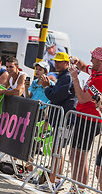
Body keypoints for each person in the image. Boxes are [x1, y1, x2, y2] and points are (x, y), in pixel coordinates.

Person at [68, 47, 102, 194]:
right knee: (73, 154)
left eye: (93, 57)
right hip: (83, 117)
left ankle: (80, 190)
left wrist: (75, 78)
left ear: (100, 60)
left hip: (91, 121)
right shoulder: (96, 71)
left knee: (81, 157)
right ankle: (75, 187)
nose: (91, 60)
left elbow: (81, 98)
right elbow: (81, 64)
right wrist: (75, 59)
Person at [36, 52, 77, 192]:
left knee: (57, 151)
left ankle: (53, 182)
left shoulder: (66, 76)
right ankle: (56, 181)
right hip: (61, 118)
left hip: (65, 119)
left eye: (60, 61)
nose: (57, 63)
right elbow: (56, 95)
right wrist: (49, 88)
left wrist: (47, 87)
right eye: (56, 61)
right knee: (56, 150)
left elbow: (57, 96)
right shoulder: (63, 76)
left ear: (67, 63)